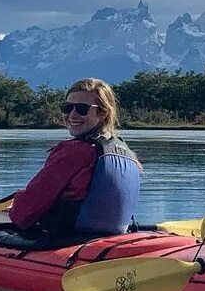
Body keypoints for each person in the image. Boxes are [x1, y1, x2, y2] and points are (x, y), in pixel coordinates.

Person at [8, 78, 142, 241]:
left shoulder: (73, 151)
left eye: (82, 109)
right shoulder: (127, 154)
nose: (72, 115)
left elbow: (23, 214)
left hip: (67, 242)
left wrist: (13, 207)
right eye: (67, 108)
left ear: (102, 113)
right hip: (111, 239)